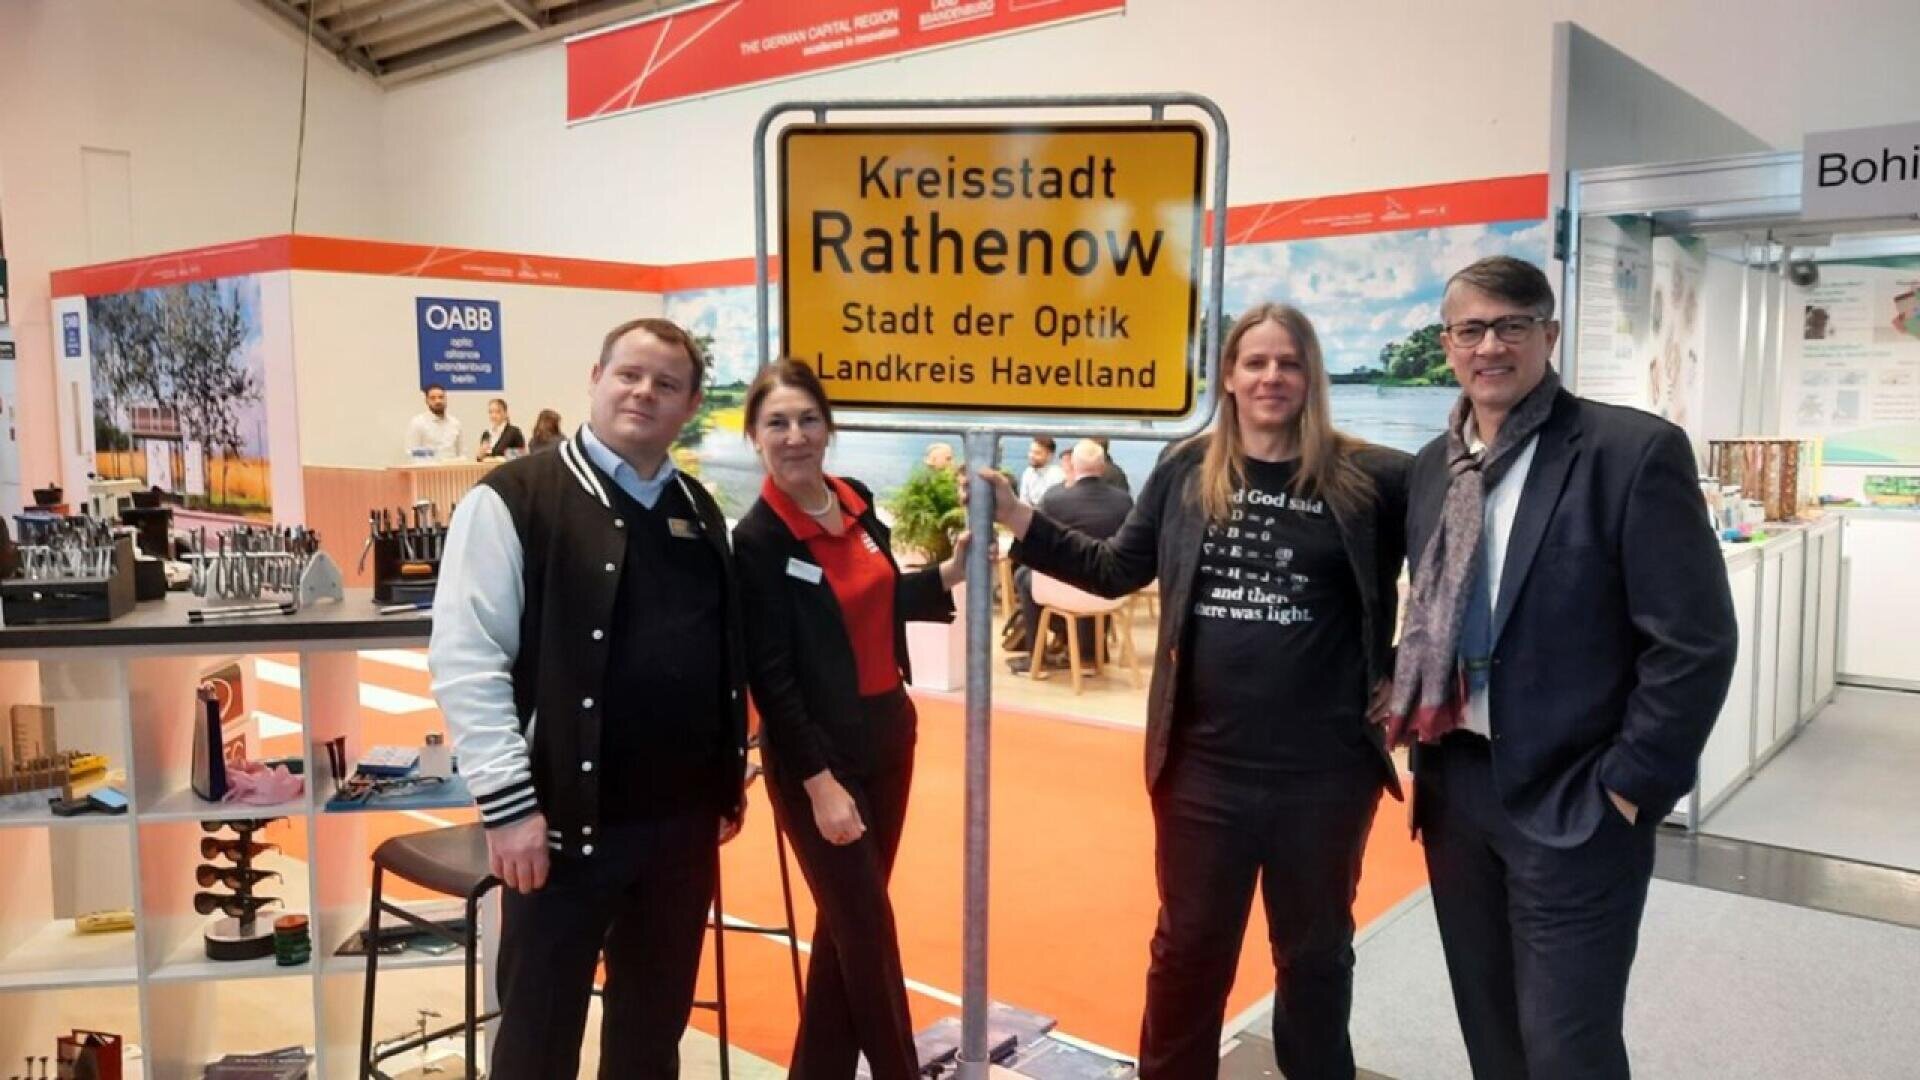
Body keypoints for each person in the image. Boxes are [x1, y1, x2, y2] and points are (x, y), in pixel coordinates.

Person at [978, 304, 1410, 1080]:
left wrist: (1408, 668)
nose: (1272, 377)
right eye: (1255, 363)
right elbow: (1116, 570)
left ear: (1311, 375)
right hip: (1202, 770)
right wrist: (1019, 516)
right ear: (1230, 377)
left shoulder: (1369, 477)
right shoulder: (1186, 468)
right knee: (1187, 960)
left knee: (1313, 963)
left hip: (1325, 775)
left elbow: (1459, 573)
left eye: (1288, 362)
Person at [1386, 256, 1737, 1080]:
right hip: (1456, 789)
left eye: (1513, 326)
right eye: (1471, 329)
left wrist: (1630, 786)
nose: (1491, 346)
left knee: (1567, 1047)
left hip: (1577, 801)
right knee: (1491, 1033)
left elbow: (1693, 641)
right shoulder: (1435, 469)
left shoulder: (1630, 451)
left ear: (1549, 335)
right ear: (1447, 346)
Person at [429, 317, 749, 1079]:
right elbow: (467, 661)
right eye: (628, 374)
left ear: (691, 404)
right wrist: (508, 809)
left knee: (650, 1040)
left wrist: (728, 773)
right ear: (595, 378)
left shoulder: (699, 511)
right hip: (558, 832)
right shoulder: (513, 499)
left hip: (678, 831)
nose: (644, 392)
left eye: (666, 384)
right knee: (538, 1042)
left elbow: (719, 653)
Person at [732, 358, 968, 1080]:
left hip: (890, 735)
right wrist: (816, 781)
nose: (796, 435)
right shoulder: (761, 539)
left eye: (808, 419)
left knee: (846, 928)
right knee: (867, 930)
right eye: (778, 423)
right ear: (756, 437)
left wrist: (950, 575)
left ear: (828, 427)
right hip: (818, 755)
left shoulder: (857, 502)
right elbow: (770, 674)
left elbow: (878, 596)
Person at [1009, 439, 1133, 673]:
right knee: (1099, 569)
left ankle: (1036, 657)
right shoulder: (1124, 500)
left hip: (1063, 589)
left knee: (1025, 577)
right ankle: (1090, 652)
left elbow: (1035, 542)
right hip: (1111, 591)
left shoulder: (1054, 499)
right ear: (1103, 467)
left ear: (1073, 466)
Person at [405, 384, 462, 459]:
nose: (438, 401)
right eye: (433, 398)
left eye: (441, 397)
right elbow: (412, 452)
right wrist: (433, 454)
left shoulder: (455, 423)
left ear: (446, 399)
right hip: (427, 469)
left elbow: (461, 453)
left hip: (451, 468)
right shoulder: (418, 422)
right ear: (426, 401)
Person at [1017, 436, 1064, 505]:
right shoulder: (1028, 473)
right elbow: (1024, 501)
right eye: (1031, 451)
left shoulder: (1058, 476)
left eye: (1037, 453)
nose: (1031, 456)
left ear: (1049, 456)